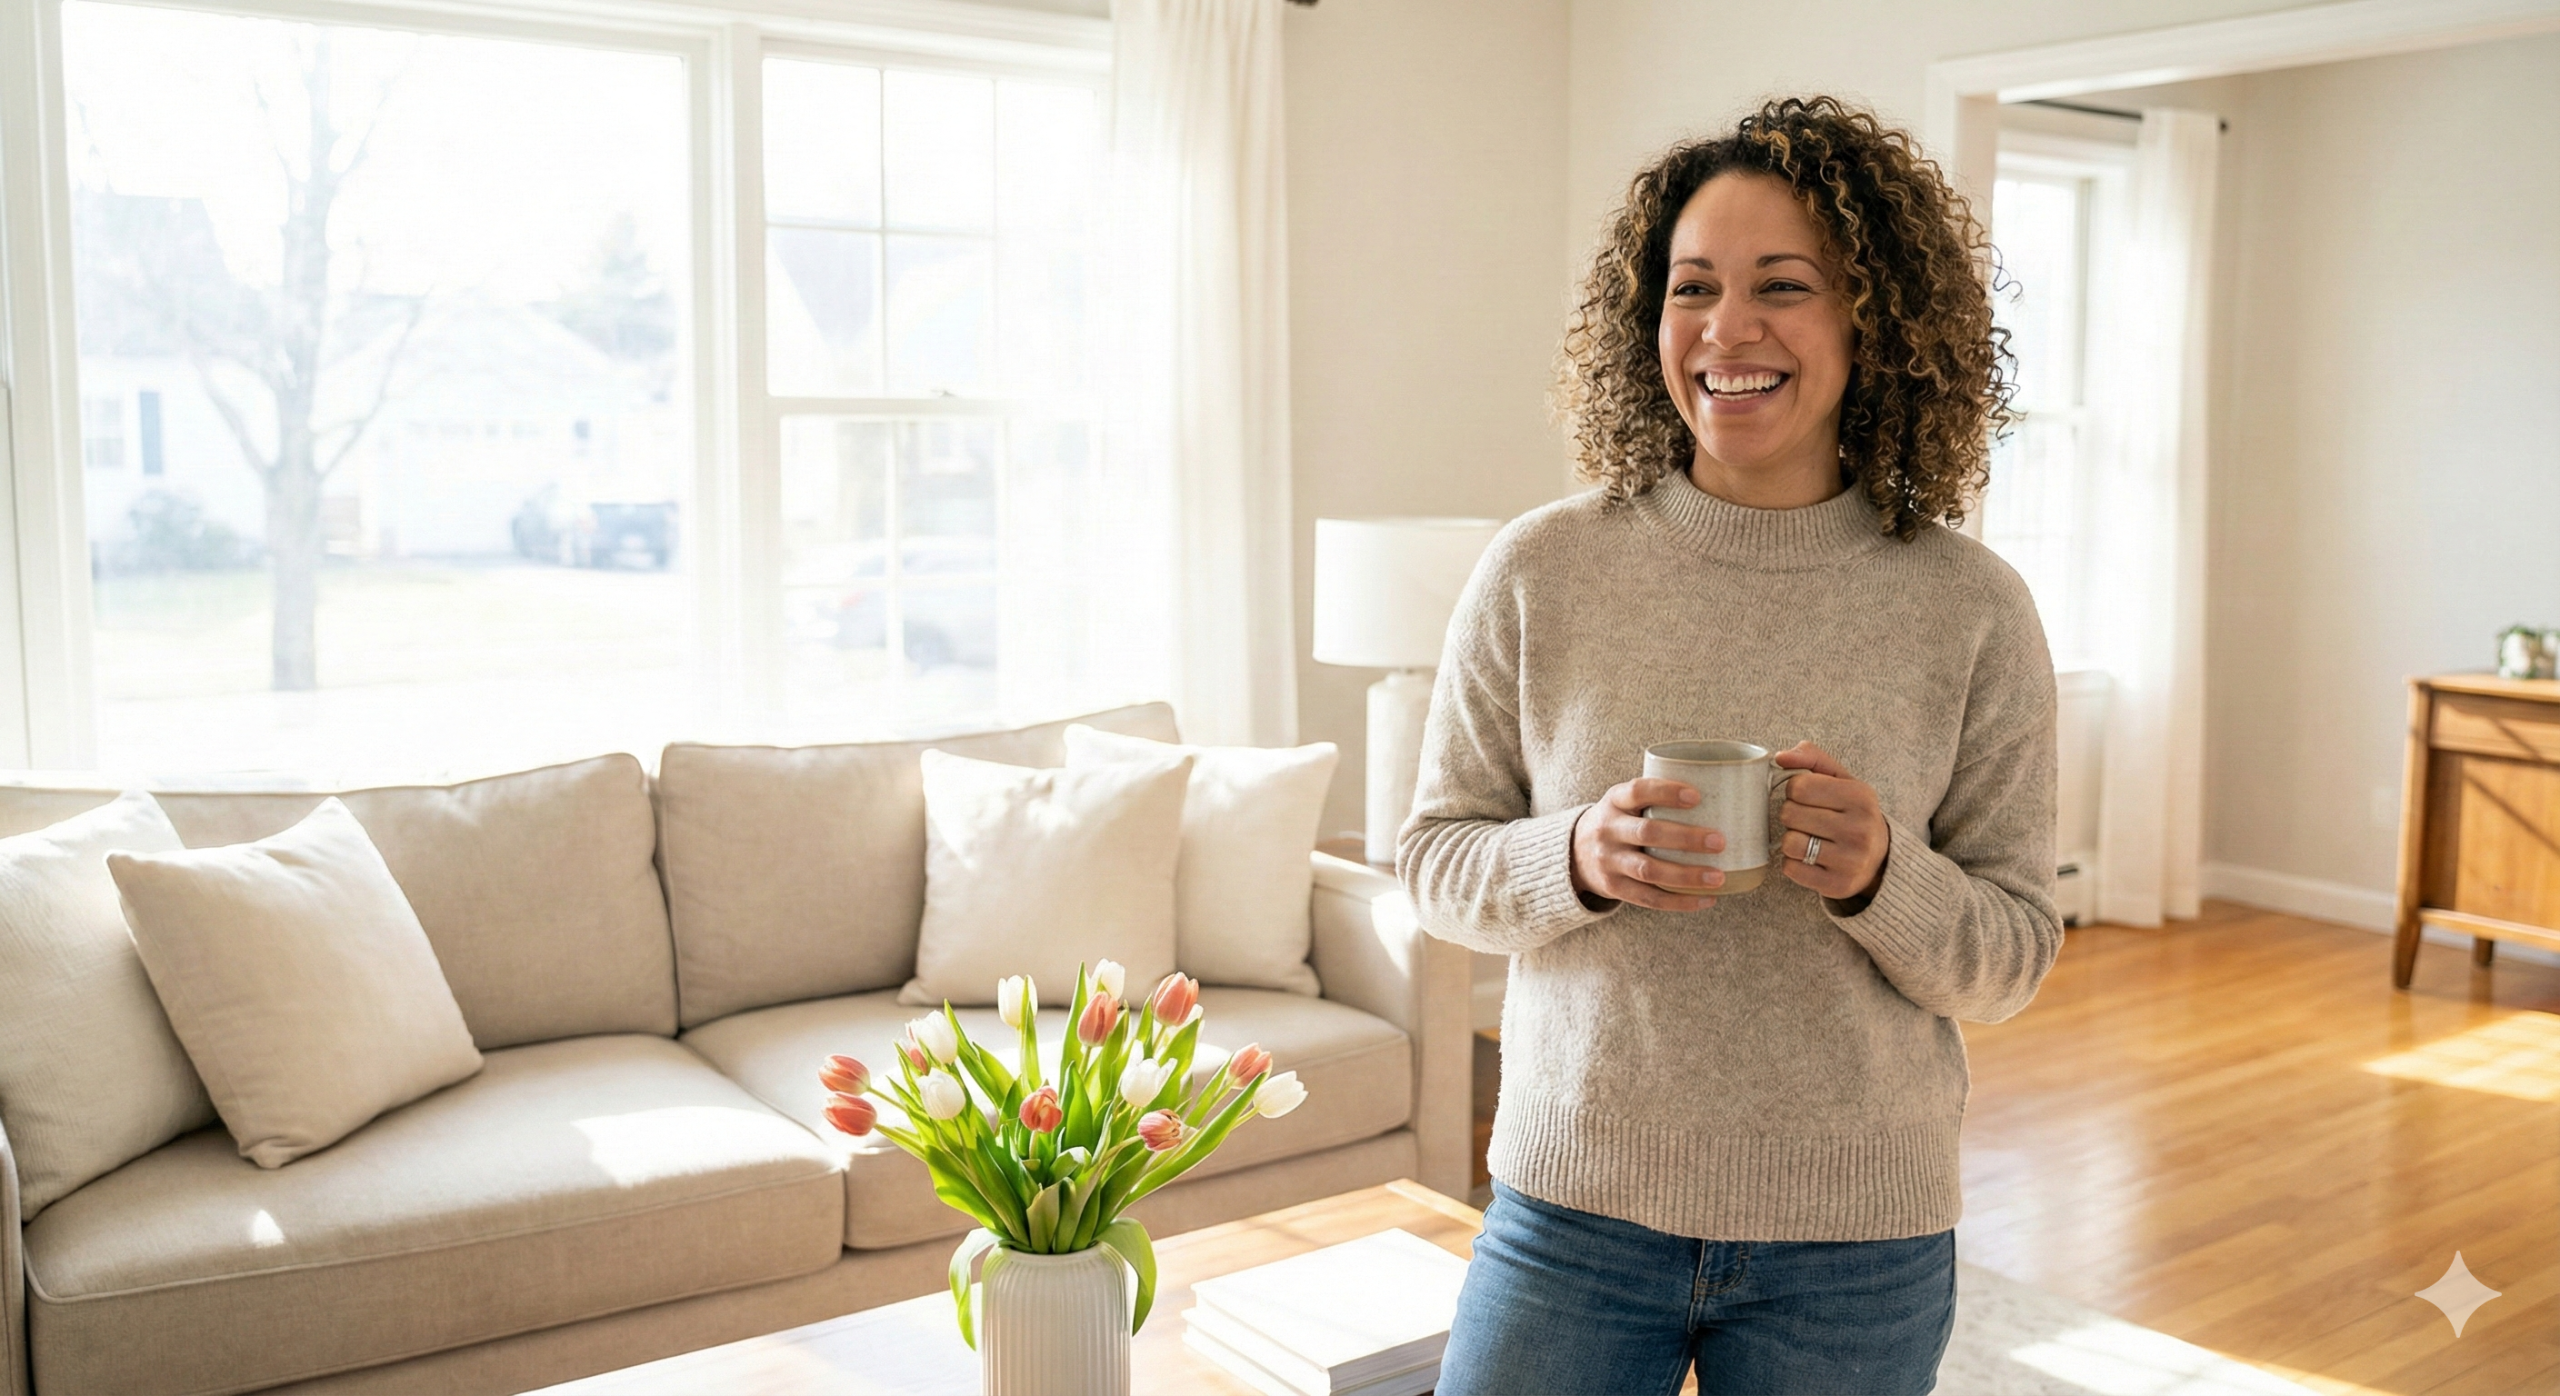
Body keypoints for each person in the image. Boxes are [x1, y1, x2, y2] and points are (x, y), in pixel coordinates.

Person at [1400, 95, 2061, 1396]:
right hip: (1572, 1208)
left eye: (1784, 286)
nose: (1727, 329)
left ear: (1873, 319)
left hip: (1856, 1242)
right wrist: (1578, 858)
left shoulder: (1971, 608)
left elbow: (2016, 954)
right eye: (1693, 286)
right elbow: (1432, 863)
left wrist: (1884, 877)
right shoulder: (1541, 569)